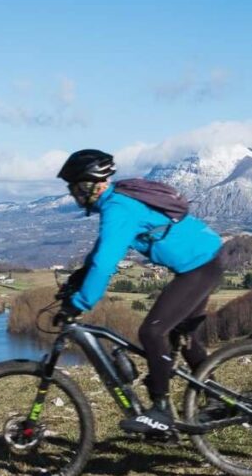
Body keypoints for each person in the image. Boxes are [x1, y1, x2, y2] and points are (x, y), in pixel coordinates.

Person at [56, 148, 224, 436]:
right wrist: (80, 276)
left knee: (152, 332)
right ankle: (219, 400)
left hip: (199, 266)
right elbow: (103, 249)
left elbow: (105, 262)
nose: (74, 196)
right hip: (204, 260)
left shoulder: (117, 208)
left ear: (89, 185)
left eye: (75, 188)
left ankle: (160, 411)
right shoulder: (118, 200)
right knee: (182, 336)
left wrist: (80, 302)